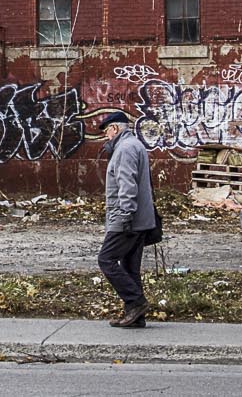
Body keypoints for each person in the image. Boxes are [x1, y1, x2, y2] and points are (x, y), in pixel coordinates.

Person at [96, 111, 155, 328]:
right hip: (139, 218)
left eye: (107, 131)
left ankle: (136, 302)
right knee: (130, 267)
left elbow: (127, 184)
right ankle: (136, 316)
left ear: (115, 128)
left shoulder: (125, 149)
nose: (106, 136)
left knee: (106, 260)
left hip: (127, 218)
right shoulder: (135, 145)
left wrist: (125, 215)